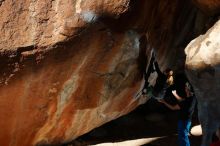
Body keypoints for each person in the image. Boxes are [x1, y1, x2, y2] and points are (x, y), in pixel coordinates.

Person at [158, 74, 196, 146]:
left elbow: (173, 107)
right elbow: (181, 100)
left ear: (187, 90)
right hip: (187, 121)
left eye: (186, 87)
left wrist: (163, 102)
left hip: (184, 121)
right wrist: (175, 94)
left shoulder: (186, 102)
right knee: (182, 137)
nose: (185, 88)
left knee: (183, 137)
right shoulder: (192, 98)